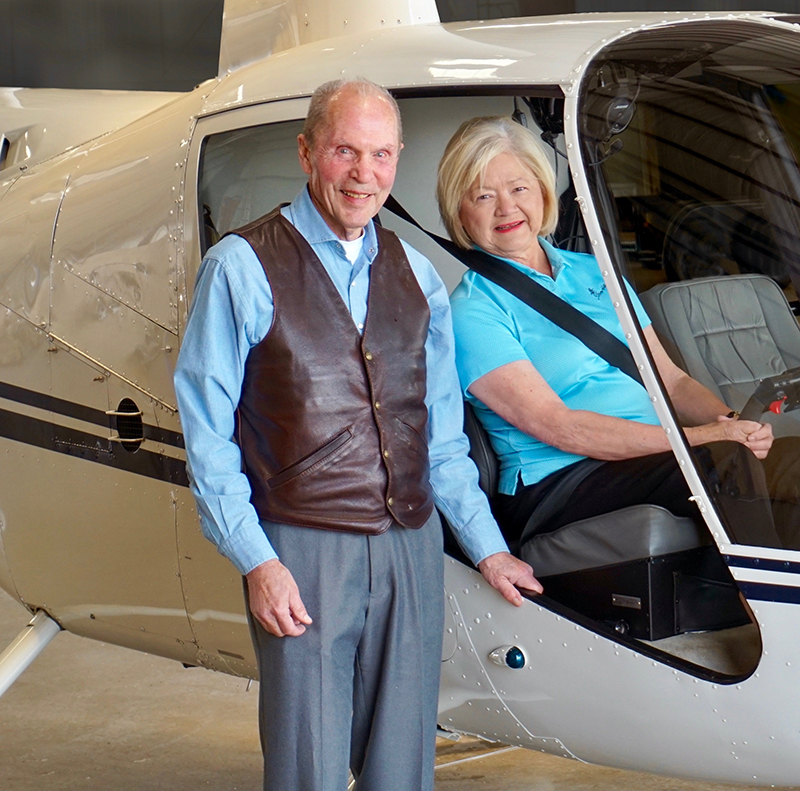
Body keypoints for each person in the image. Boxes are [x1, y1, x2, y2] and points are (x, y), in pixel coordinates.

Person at [174, 81, 541, 791]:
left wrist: (488, 548)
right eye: (345, 150)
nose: (362, 173)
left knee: (404, 764)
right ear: (309, 152)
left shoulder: (419, 275)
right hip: (301, 546)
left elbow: (440, 441)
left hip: (411, 541)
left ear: (397, 159)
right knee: (306, 763)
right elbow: (208, 436)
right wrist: (257, 559)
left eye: (379, 154)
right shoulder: (241, 267)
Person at [437, 115, 799, 550]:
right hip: (564, 480)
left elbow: (672, 381)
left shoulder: (597, 272)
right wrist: (704, 440)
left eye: (518, 188)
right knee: (724, 462)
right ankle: (776, 611)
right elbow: (561, 427)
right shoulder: (471, 309)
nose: (506, 208)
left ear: (542, 191)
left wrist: (733, 425)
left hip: (662, 456)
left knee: (787, 456)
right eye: (483, 195)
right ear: (459, 209)